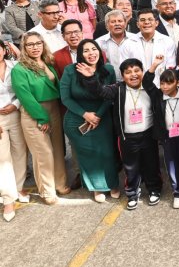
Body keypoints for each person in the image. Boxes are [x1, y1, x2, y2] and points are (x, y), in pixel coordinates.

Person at [77, 58, 162, 210]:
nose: (133, 75)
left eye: (137, 71)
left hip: (148, 135)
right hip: (127, 137)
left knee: (151, 164)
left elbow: (155, 89)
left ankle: (154, 189)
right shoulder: (118, 88)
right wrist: (90, 78)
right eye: (128, 72)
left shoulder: (149, 88)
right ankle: (132, 193)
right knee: (130, 167)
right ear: (122, 76)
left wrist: (154, 66)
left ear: (142, 72)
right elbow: (100, 91)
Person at [11, 32, 68, 204]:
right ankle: (47, 191)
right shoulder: (19, 69)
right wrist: (41, 118)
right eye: (30, 44)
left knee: (58, 149)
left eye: (38, 43)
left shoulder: (47, 63)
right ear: (24, 48)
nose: (35, 47)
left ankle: (60, 183)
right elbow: (25, 96)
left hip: (54, 109)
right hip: (34, 113)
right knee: (44, 153)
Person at [59, 39, 119, 203]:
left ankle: (112, 183)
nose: (91, 53)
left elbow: (110, 96)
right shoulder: (70, 70)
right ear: (80, 54)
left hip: (102, 117)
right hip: (77, 118)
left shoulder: (108, 69)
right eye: (86, 50)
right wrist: (85, 114)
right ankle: (97, 187)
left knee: (107, 152)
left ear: (100, 51)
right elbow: (65, 98)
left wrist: (97, 115)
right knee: (88, 154)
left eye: (94, 49)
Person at [144, 55, 179, 210]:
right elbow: (147, 82)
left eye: (169, 83)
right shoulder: (158, 95)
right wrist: (154, 66)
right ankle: (177, 192)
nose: (164, 87)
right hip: (167, 136)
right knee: (171, 164)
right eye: (162, 83)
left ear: (177, 83)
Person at [0, 41, 26, 222]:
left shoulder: (15, 66)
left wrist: (15, 105)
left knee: (19, 153)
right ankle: (8, 199)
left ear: (4, 50)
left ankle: (19, 187)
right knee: (3, 159)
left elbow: (23, 91)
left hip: (16, 114)